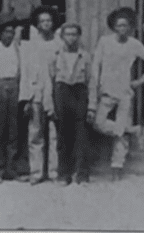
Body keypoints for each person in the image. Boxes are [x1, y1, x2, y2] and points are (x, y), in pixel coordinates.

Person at [89, 7, 144, 180]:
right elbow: (96, 64)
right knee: (98, 124)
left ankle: (117, 165)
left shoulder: (134, 44)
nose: (122, 29)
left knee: (121, 132)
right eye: (118, 25)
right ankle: (131, 129)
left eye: (125, 26)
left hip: (124, 90)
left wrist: (140, 80)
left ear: (129, 27)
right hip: (106, 89)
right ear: (113, 27)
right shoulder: (104, 41)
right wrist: (97, 84)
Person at [43, 22, 92, 185]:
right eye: (68, 34)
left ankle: (82, 174)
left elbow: (91, 81)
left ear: (78, 37)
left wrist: (91, 105)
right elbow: (49, 80)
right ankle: (64, 174)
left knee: (81, 136)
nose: (71, 38)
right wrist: (50, 105)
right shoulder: (54, 55)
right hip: (62, 93)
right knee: (63, 136)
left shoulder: (85, 56)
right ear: (62, 36)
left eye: (74, 34)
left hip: (80, 93)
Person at [21, 5, 65, 184]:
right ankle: (37, 172)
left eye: (49, 21)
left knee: (55, 133)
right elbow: (25, 71)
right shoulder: (30, 45)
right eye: (42, 21)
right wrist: (26, 98)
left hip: (55, 93)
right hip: (36, 92)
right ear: (37, 25)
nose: (46, 24)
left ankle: (54, 172)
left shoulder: (59, 44)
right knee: (35, 132)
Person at [0, 13, 26, 183]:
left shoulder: (20, 51)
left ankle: (12, 169)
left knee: (14, 132)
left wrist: (24, 97)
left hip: (15, 90)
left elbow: (24, 75)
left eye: (11, 31)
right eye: (5, 32)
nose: (8, 35)